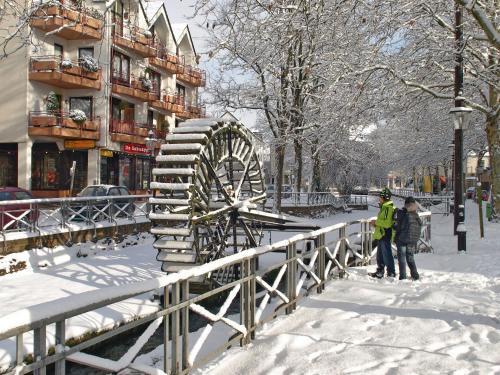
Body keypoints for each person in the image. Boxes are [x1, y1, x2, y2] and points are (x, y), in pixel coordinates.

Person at [369, 188, 396, 278]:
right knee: (380, 255)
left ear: (384, 198)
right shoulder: (384, 207)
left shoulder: (388, 208)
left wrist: (376, 222)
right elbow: (383, 222)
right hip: (381, 234)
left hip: (385, 234)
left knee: (387, 254)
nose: (379, 199)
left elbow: (387, 223)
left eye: (380, 197)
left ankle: (391, 272)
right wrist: (376, 224)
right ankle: (380, 271)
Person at [394, 196, 421, 280]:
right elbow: (420, 224)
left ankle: (403, 277)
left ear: (406, 204)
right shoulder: (415, 214)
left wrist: (393, 227)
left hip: (402, 239)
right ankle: (415, 275)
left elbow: (400, 227)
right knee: (410, 257)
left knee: (402, 258)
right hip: (412, 240)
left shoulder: (404, 214)